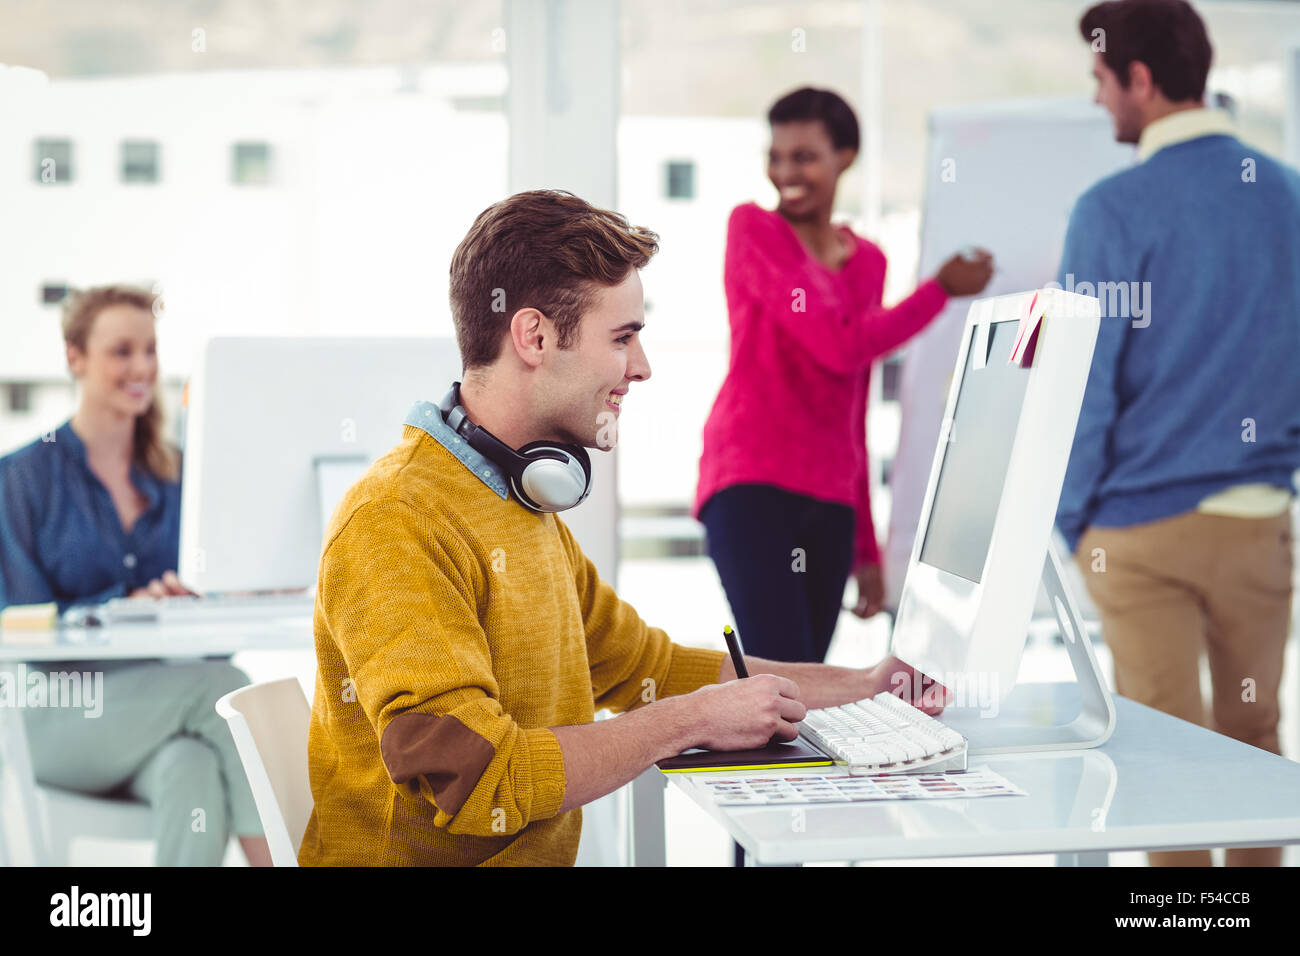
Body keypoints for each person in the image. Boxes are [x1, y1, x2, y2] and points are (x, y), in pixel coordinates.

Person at [297, 189, 948, 867]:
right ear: (534, 337)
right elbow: (474, 778)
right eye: (622, 337)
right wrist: (692, 720)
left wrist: (867, 684)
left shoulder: (519, 505)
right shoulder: (396, 520)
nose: (641, 366)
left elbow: (649, 670)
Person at [1056, 0, 1300, 867]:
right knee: (1254, 742)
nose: (1097, 98)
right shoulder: (1287, 195)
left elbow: (1084, 385)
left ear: (1141, 79)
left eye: (1100, 78)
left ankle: (1185, 924)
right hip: (1258, 520)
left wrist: (1072, 522)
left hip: (1138, 534)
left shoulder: (1110, 209)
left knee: (1165, 765)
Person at [693, 86, 994, 664]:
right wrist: (938, 292)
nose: (786, 172)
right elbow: (836, 344)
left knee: (810, 678)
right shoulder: (754, 230)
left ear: (845, 157)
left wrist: (867, 547)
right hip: (751, 481)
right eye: (776, 156)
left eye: (804, 157)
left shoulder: (868, 261)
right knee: (786, 673)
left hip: (831, 496)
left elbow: (850, 395)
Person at [0, 284, 271, 867]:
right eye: (121, 351)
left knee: (192, 769)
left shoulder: (179, 480)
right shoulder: (20, 478)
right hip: (52, 714)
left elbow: (208, 641)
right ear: (75, 357)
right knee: (224, 688)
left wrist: (221, 598)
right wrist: (122, 607)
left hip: (161, 711)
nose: (142, 367)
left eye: (149, 350)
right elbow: (18, 621)